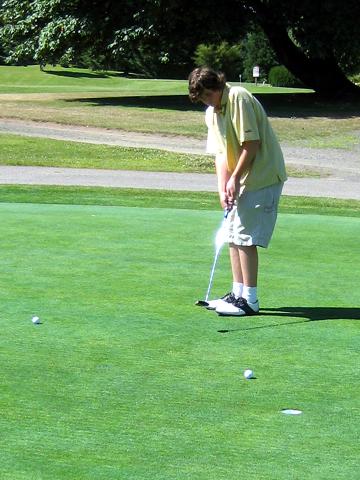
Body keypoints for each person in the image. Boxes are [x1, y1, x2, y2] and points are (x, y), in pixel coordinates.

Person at [188, 67, 287, 316]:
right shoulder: (212, 113)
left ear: (216, 88)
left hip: (262, 176)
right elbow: (220, 153)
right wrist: (223, 187)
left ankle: (250, 300)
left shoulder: (238, 97)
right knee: (231, 234)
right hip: (239, 180)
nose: (207, 103)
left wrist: (234, 178)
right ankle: (237, 293)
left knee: (245, 237)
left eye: (207, 97)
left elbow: (251, 144)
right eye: (202, 100)